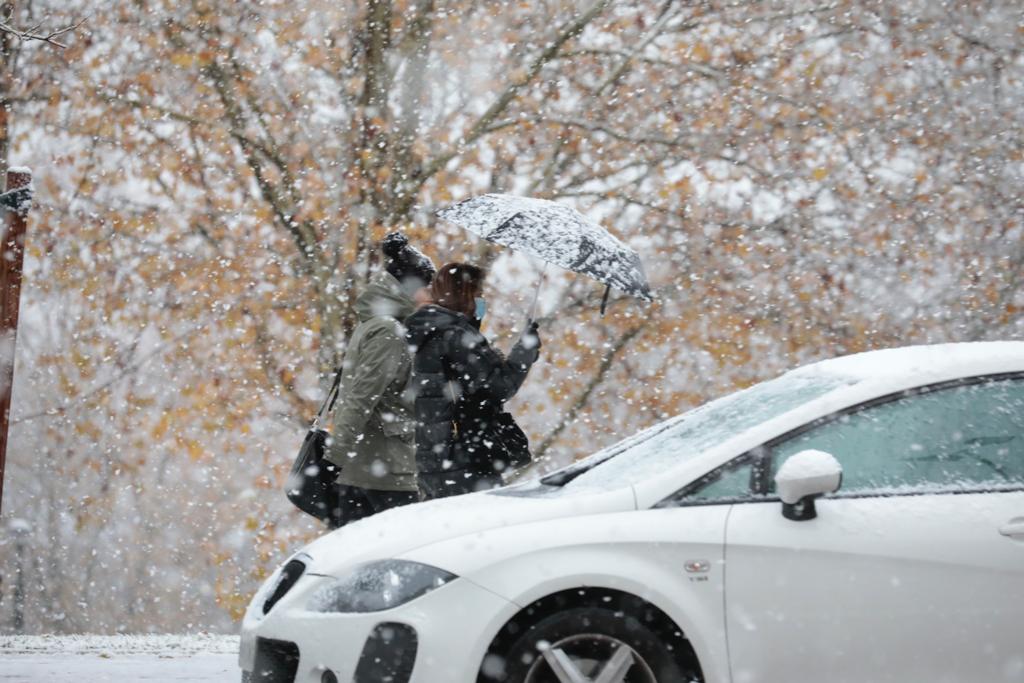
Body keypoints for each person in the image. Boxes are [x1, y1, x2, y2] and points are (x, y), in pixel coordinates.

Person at [323, 232, 436, 527]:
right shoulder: (388, 331)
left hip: (371, 466)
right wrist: (335, 457)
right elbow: (361, 396)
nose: (431, 297)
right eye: (428, 289)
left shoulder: (377, 324)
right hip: (384, 472)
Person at [405, 262, 541, 500]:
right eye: (478, 294)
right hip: (467, 460)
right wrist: (525, 350)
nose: (482, 301)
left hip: (434, 462)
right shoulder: (457, 336)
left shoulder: (428, 333)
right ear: (464, 295)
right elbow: (500, 387)